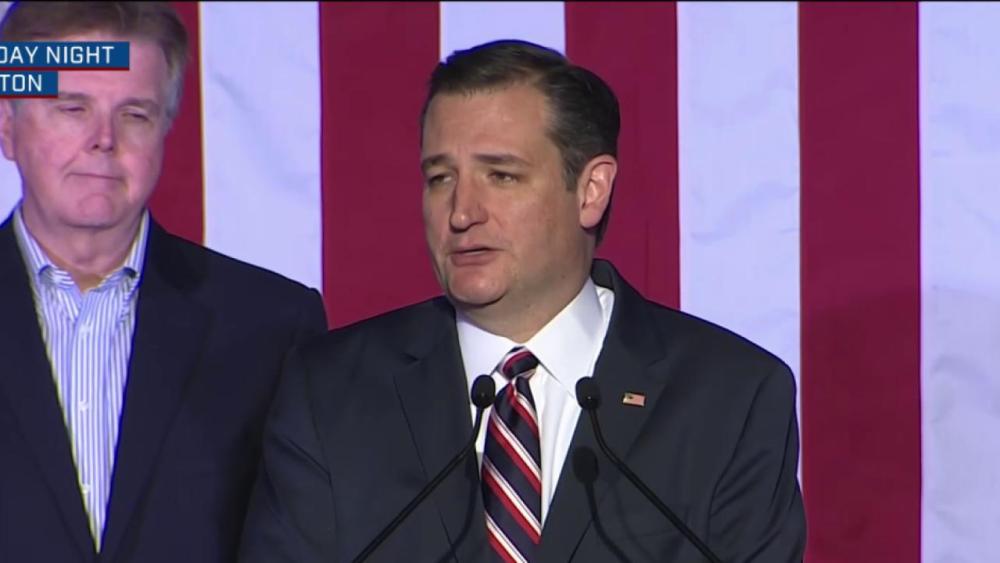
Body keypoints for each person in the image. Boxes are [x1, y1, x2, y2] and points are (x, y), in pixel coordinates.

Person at [240, 39, 805, 562]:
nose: (462, 213)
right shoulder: (328, 393)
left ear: (591, 191)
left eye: (501, 176)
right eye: (440, 178)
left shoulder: (731, 398)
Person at [0, 3, 327, 562]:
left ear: (165, 129)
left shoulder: (271, 328)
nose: (104, 139)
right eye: (73, 108)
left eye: (135, 114)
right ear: (8, 127)